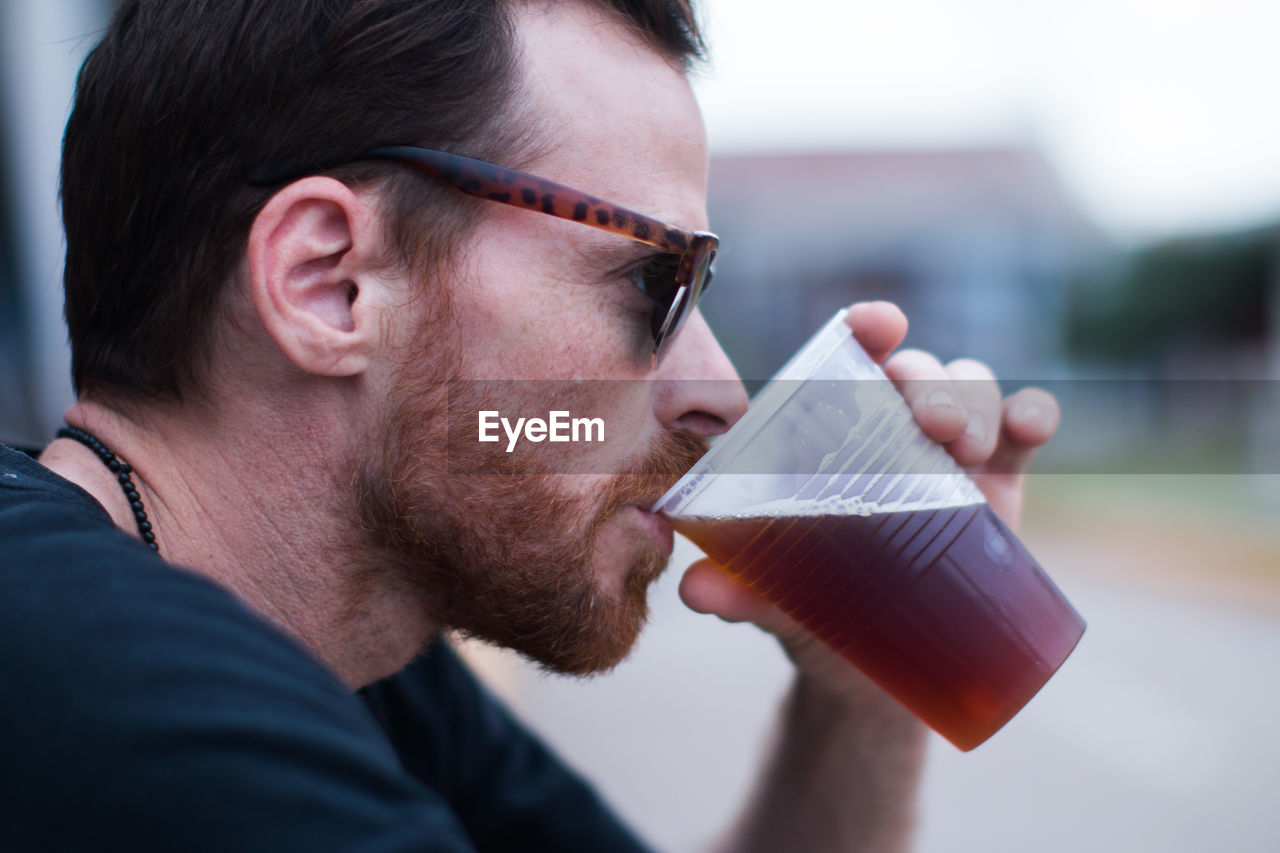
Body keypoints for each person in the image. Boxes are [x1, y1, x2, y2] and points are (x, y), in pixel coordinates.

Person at [0, 1, 1060, 850]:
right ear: (329, 284)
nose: (719, 393)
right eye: (656, 281)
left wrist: (859, 692)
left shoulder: (362, 664)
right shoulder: (147, 717)